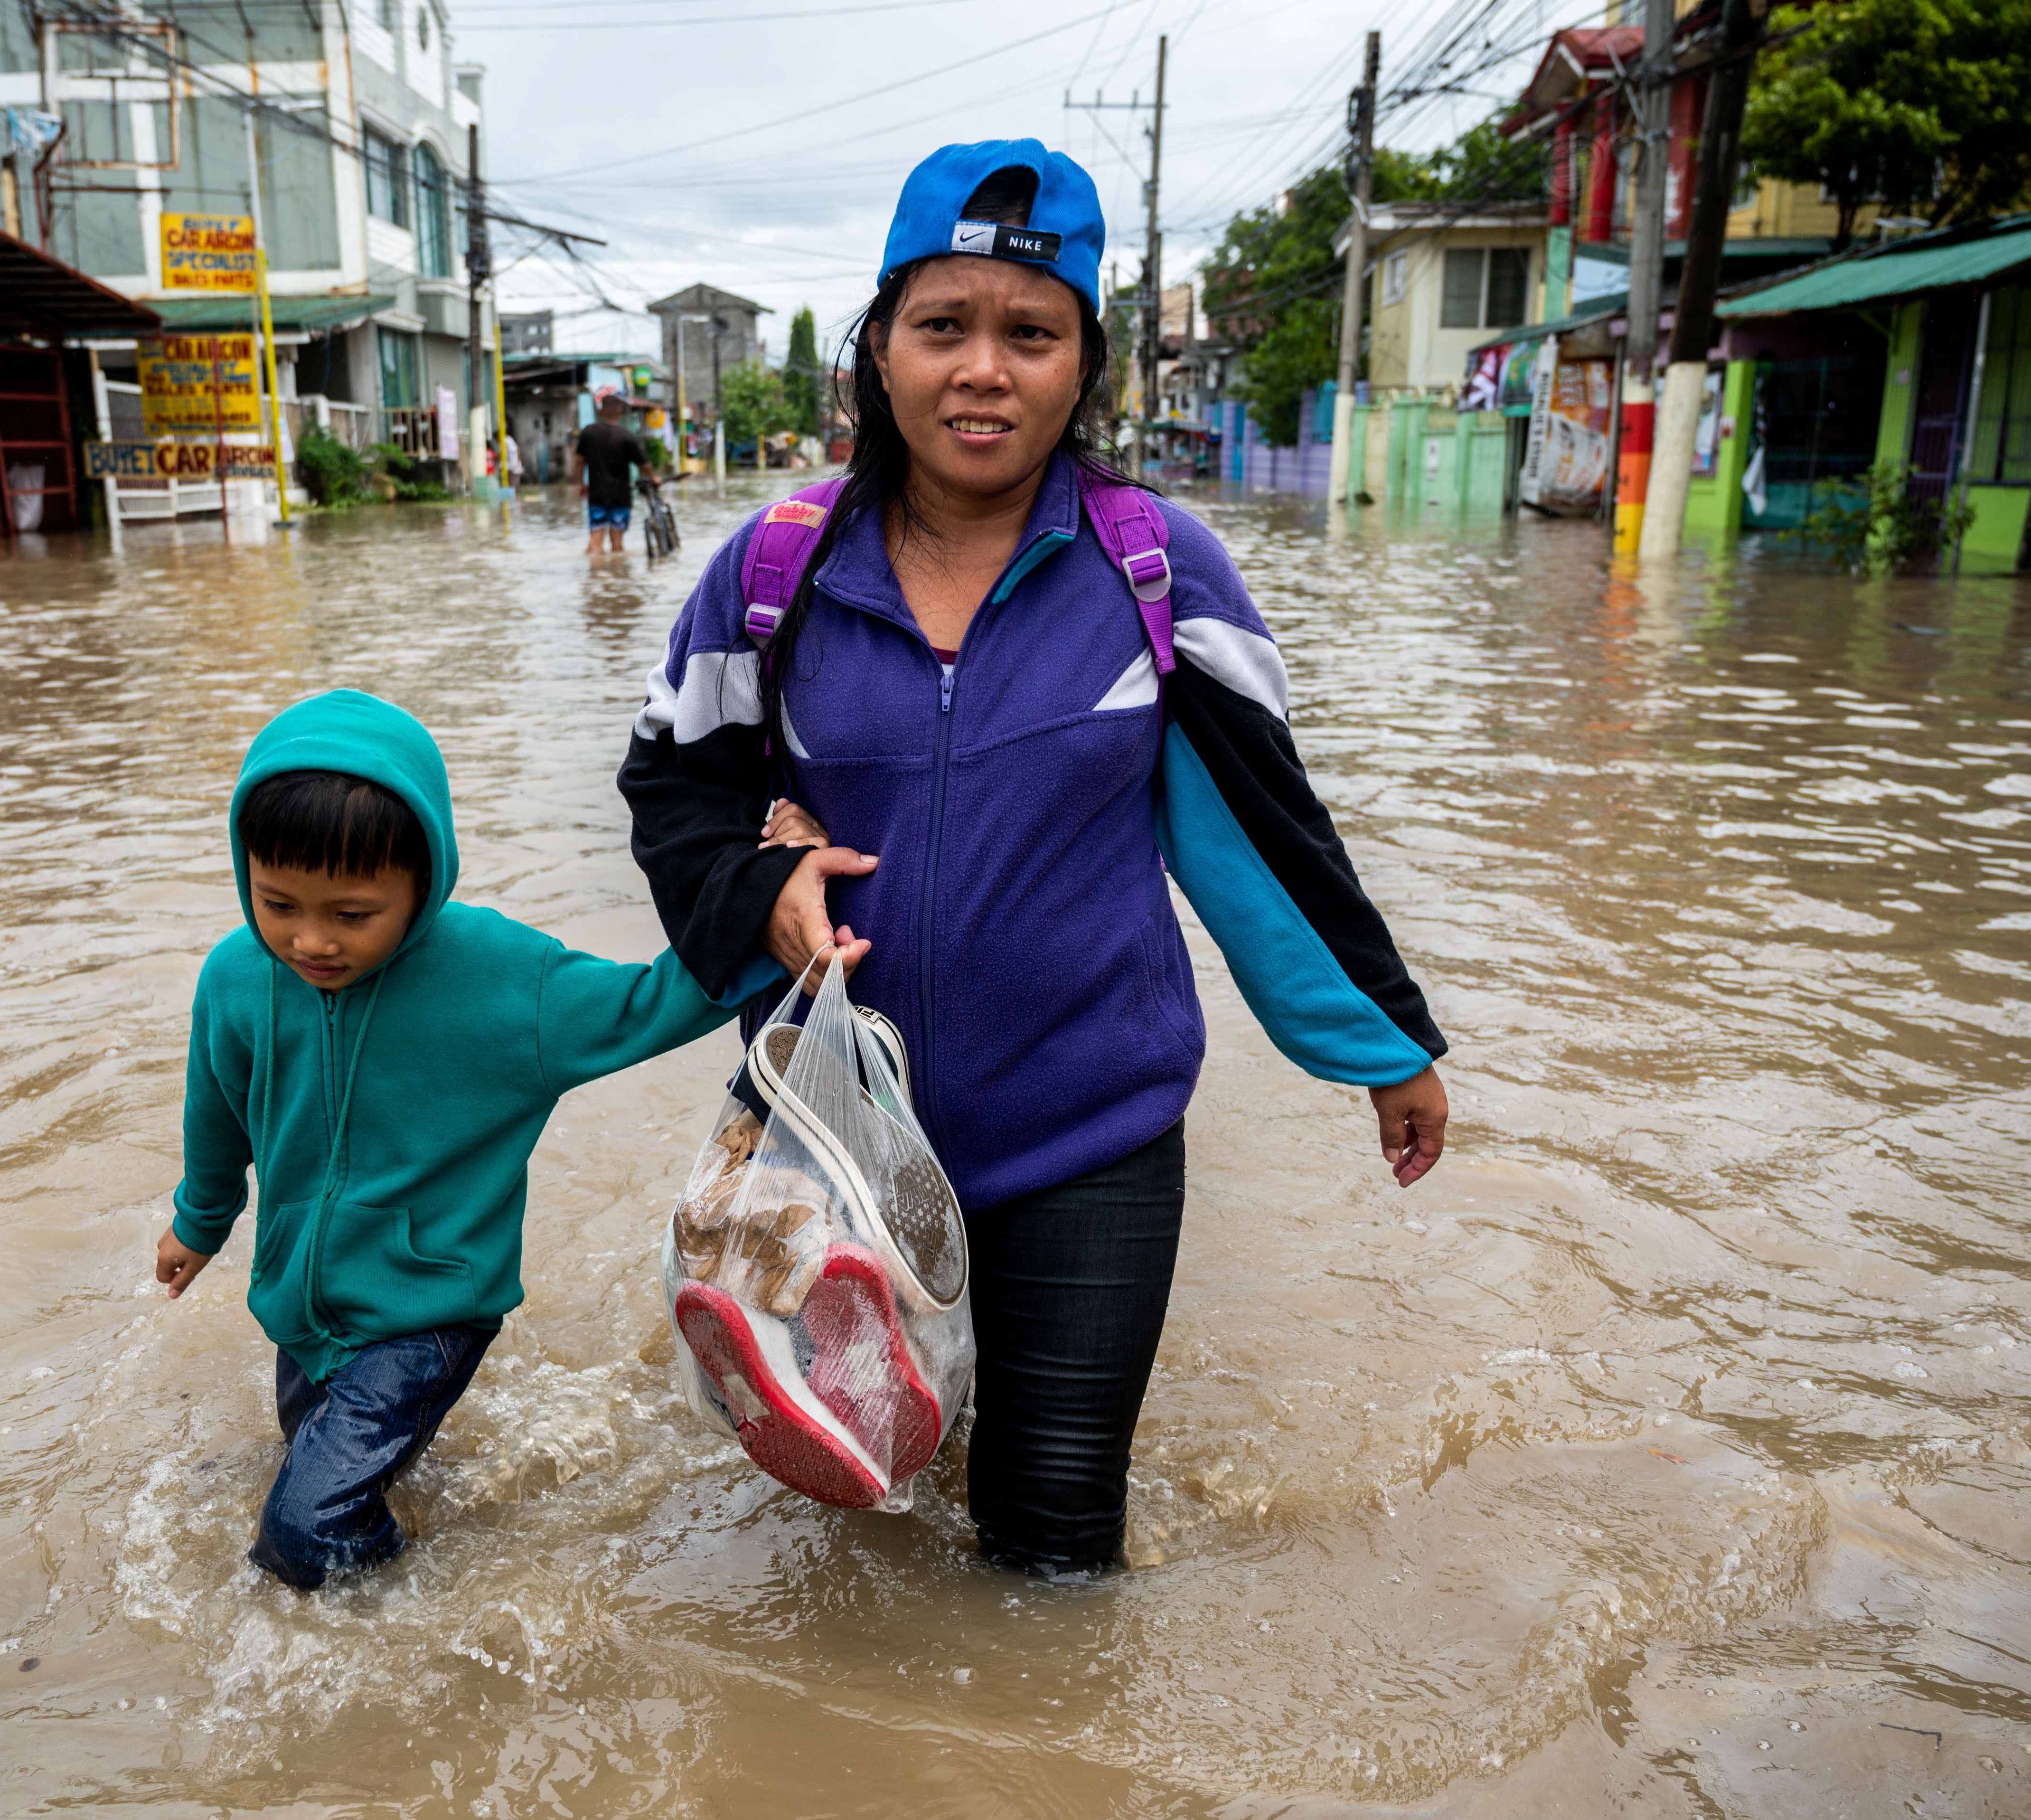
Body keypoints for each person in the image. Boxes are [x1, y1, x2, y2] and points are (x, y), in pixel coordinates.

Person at [619, 139, 1451, 1576]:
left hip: (1092, 1130)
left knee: (1053, 1548)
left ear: (1086, 365)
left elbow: (1265, 833)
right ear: (879, 351)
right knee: (852, 1512)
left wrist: (1383, 1045)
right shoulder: (777, 571)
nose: (983, 370)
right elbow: (673, 790)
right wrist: (762, 891)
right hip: (840, 1137)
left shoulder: (1157, 572)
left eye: (1030, 332)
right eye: (943, 327)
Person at [153, 689, 769, 1589]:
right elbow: (215, 1109)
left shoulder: (497, 977)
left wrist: (769, 910)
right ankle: (400, 1562)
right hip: (301, 1303)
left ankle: (410, 1623)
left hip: (430, 1307)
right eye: (278, 901)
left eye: (352, 913)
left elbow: (647, 1002)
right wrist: (199, 1220)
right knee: (320, 1469)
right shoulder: (238, 977)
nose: (310, 939)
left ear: (424, 879)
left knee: (300, 1533)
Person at [570, 391, 658, 555]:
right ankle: (617, 577)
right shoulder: (627, 436)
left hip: (597, 495)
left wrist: (581, 483)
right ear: (620, 412)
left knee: (596, 542)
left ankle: (598, 576)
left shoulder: (588, 432)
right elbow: (644, 465)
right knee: (618, 545)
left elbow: (579, 461)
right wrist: (654, 479)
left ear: (601, 411)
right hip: (621, 496)